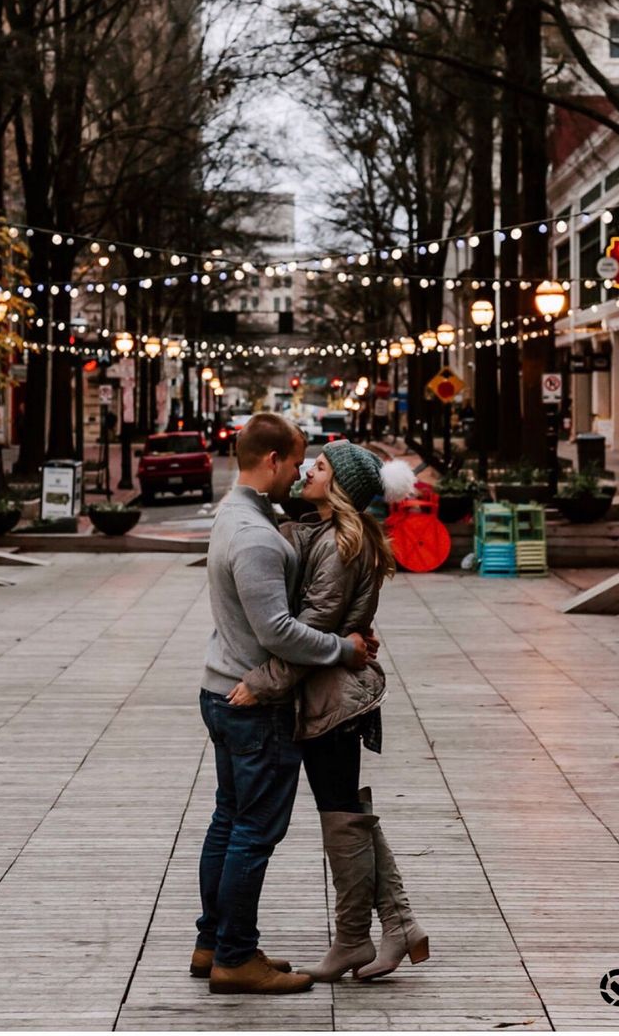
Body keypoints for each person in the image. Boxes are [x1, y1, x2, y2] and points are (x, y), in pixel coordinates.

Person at [230, 441, 429, 982]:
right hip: (324, 692)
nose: (306, 471)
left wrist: (263, 683)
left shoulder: (345, 541)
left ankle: (353, 939)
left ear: (339, 485)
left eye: (318, 468)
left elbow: (314, 625)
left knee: (340, 814)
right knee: (347, 811)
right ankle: (399, 924)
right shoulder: (320, 530)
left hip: (333, 698)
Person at [193, 413, 373, 996]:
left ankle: (213, 941)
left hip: (223, 688)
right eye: (297, 461)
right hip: (250, 700)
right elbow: (279, 632)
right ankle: (235, 957)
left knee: (228, 821)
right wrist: (343, 648)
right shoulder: (253, 535)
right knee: (253, 831)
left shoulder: (241, 513)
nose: (299, 472)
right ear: (271, 460)